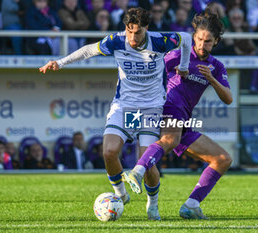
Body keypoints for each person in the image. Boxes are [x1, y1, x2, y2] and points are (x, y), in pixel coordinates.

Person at [39, 7, 192, 220]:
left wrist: (184, 66)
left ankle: (153, 203)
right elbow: (88, 50)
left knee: (147, 163)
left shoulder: (160, 41)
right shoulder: (116, 41)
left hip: (151, 107)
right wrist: (60, 62)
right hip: (124, 105)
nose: (132, 37)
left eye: (137, 32)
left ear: (146, 29)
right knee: (109, 152)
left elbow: (186, 38)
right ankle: (121, 194)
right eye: (129, 31)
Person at [123, 12, 232, 220]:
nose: (201, 45)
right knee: (170, 140)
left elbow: (228, 98)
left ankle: (191, 205)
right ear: (194, 37)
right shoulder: (178, 54)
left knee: (222, 159)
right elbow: (148, 73)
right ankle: (137, 171)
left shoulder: (216, 67)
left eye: (207, 41)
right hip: (169, 106)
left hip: (184, 122)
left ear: (216, 41)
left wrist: (212, 79)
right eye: (199, 39)